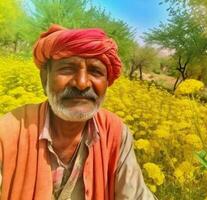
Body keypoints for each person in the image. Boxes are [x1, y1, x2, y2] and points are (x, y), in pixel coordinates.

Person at [0, 24, 156, 200]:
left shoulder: (116, 133)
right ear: (45, 79)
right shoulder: (8, 132)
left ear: (106, 83)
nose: (82, 83)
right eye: (67, 69)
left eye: (95, 71)